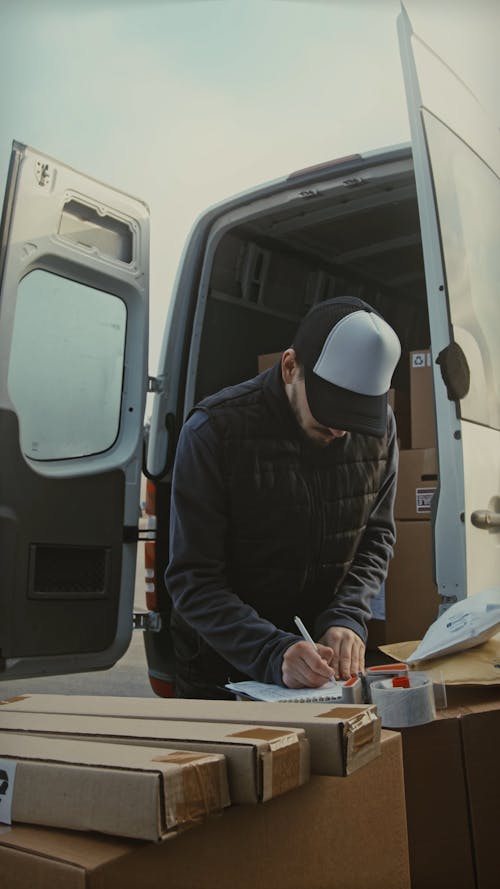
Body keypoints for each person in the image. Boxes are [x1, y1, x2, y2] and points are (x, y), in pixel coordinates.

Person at [166, 296, 401, 699]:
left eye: (356, 414)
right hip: (223, 670)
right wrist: (272, 651)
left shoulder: (376, 431)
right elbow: (194, 579)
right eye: (332, 409)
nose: (342, 431)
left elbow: (376, 538)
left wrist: (347, 617)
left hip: (321, 674)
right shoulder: (214, 432)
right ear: (291, 367)